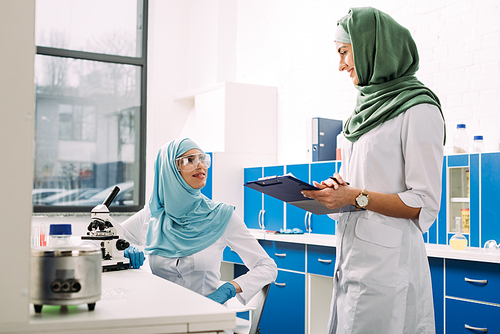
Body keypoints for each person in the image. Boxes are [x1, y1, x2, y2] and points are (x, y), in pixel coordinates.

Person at [302, 7, 445, 334]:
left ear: (370, 46)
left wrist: (356, 196)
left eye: (343, 52)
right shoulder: (360, 115)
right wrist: (337, 190)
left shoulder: (419, 108)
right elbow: (357, 181)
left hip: (389, 268)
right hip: (352, 260)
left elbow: (424, 202)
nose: (340, 65)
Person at [121, 138, 277, 307]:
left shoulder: (221, 215)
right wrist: (123, 250)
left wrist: (228, 289)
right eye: (189, 160)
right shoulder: (152, 215)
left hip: (207, 317)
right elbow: (109, 241)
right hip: (163, 314)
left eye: (203, 158)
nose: (201, 165)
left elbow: (267, 267)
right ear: (169, 170)